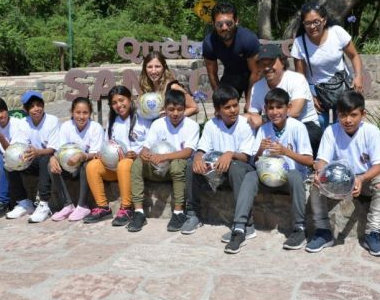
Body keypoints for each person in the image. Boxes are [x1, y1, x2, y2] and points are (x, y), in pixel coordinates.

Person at [224, 88, 313, 254]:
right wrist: (259, 150)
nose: (275, 112)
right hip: (267, 176)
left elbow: (309, 161)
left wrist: (286, 152)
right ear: (265, 110)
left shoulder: (298, 127)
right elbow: (255, 162)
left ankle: (299, 228)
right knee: (250, 176)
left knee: (294, 175)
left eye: (279, 107)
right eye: (270, 108)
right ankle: (240, 228)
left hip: (288, 180)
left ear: (289, 107)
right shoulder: (264, 129)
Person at [308, 90, 380, 255]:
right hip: (337, 180)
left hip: (364, 178)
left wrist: (361, 179)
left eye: (353, 115)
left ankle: (373, 234)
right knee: (314, 183)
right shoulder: (331, 131)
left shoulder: (372, 132)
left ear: (363, 114)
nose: (348, 120)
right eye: (343, 115)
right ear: (337, 114)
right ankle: (324, 232)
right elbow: (322, 160)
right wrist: (320, 172)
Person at [183, 85, 256, 235]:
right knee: (191, 165)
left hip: (239, 172)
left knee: (236, 166)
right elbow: (201, 149)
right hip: (215, 173)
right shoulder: (211, 125)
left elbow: (246, 156)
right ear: (217, 110)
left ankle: (244, 222)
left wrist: (230, 154)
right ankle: (193, 214)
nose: (233, 110)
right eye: (227, 107)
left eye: (235, 105)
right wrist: (197, 158)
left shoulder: (245, 125)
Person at [128, 89, 199, 232]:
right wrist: (145, 154)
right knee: (136, 164)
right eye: (171, 109)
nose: (175, 113)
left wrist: (164, 157)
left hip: (176, 168)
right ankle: (139, 212)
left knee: (178, 165)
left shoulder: (192, 126)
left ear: (184, 109)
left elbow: (187, 152)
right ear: (164, 109)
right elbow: (146, 147)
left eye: (179, 109)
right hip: (156, 167)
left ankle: (178, 212)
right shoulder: (158, 124)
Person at [85, 86, 152, 225]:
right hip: (115, 167)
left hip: (135, 167)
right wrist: (101, 154)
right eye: (114, 103)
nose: (119, 105)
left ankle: (126, 208)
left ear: (130, 99)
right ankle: (102, 207)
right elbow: (107, 144)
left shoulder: (143, 118)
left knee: (124, 163)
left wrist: (138, 154)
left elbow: (151, 144)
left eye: (122, 100)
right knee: (92, 166)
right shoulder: (112, 121)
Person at [292, 2, 363, 128]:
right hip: (316, 90)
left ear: (324, 21)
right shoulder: (300, 43)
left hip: (341, 85)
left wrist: (358, 76)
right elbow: (300, 76)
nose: (312, 26)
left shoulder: (337, 33)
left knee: (344, 122)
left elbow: (354, 56)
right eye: (308, 23)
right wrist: (309, 96)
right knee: (320, 123)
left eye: (316, 22)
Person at [246, 43, 322, 157]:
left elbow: (295, 112)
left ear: (282, 62)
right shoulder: (257, 87)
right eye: (263, 64)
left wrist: (263, 119)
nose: (267, 68)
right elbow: (251, 116)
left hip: (303, 125)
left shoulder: (297, 79)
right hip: (273, 128)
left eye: (271, 63)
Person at [4, 91, 59, 223]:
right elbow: (18, 145)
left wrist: (37, 152)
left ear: (43, 105)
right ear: (26, 109)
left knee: (45, 159)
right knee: (8, 163)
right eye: (32, 106)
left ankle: (44, 204)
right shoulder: (23, 122)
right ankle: (24, 202)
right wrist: (18, 157)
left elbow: (53, 149)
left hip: (49, 159)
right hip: (31, 160)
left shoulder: (52, 120)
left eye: (39, 105)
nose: (36, 109)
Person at [48, 97, 104, 222]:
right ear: (72, 112)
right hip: (69, 165)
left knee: (88, 165)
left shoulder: (96, 127)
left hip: (85, 164)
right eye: (78, 112)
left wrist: (82, 155)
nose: (81, 116)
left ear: (90, 113)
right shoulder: (66, 126)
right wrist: (53, 157)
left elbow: (96, 154)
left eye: (85, 113)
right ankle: (67, 204)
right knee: (51, 164)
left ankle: (82, 205)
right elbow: (60, 150)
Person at [203, 1, 259, 110]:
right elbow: (212, 74)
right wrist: (219, 99)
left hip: (252, 76)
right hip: (231, 75)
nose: (224, 28)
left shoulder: (248, 39)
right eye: (219, 24)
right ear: (213, 23)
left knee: (252, 110)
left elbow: (255, 71)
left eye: (228, 23)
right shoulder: (209, 42)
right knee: (223, 111)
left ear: (236, 21)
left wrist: (250, 101)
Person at [139, 51, 198, 117]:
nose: (153, 71)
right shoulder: (146, 86)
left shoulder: (173, 87)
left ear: (164, 67)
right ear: (145, 68)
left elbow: (194, 108)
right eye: (150, 67)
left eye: (157, 66)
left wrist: (172, 117)